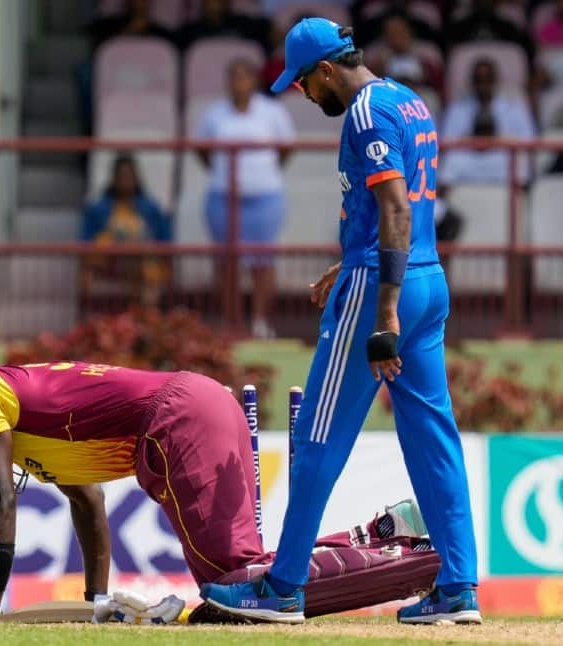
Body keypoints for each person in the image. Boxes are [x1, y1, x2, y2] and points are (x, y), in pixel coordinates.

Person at [200, 19, 480, 625]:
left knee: (316, 437)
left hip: (385, 293)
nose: (303, 95)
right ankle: (458, 588)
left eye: (303, 83)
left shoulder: (363, 111)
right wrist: (349, 259)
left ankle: (282, 590)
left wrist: (379, 310)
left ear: (326, 70)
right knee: (435, 438)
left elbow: (396, 205)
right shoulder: (410, 100)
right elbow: (407, 210)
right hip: (429, 283)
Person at [0, 361, 439, 620]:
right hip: (197, 406)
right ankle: (382, 534)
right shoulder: (37, 442)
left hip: (177, 419)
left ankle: (408, 558)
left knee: (237, 592)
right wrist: (98, 604)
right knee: (243, 586)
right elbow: (90, 507)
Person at [195, 58, 296, 339]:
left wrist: (261, 174)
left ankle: (260, 321)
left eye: (244, 76)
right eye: (233, 77)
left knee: (263, 263)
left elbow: (286, 149)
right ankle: (231, 323)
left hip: (265, 198)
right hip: (223, 198)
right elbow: (202, 151)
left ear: (254, 81)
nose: (239, 82)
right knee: (226, 263)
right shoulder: (214, 114)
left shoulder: (272, 112)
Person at [80, 154, 171, 307]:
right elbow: (85, 241)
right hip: (109, 262)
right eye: (122, 176)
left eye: (129, 175)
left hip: (143, 262)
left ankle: (145, 315)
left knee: (151, 272)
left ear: (136, 178)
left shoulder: (150, 207)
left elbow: (164, 239)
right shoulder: (98, 208)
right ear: (114, 178)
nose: (125, 180)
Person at [438, 59, 536, 186]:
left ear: (495, 80)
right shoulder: (457, 109)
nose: (483, 83)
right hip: (469, 157)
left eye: (488, 78)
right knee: (451, 161)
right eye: (479, 79)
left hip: (501, 155)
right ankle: (441, 204)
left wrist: (498, 140)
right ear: (472, 82)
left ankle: (520, 202)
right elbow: (446, 142)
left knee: (521, 164)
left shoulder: (515, 108)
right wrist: (470, 139)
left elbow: (528, 140)